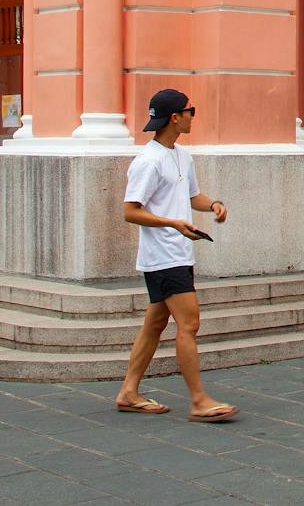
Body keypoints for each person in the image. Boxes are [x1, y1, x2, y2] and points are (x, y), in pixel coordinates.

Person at [115, 88, 237, 422]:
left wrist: (213, 204)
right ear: (174, 117)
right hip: (163, 256)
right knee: (189, 323)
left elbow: (192, 195)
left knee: (155, 323)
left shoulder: (182, 155)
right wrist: (173, 223)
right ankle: (199, 401)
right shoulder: (148, 161)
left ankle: (128, 392)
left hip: (179, 253)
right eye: (189, 111)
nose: (192, 116)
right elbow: (130, 211)